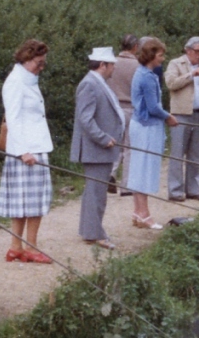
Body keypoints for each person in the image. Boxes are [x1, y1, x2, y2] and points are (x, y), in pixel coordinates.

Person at [0, 39, 54, 264]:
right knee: (29, 202)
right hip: (27, 150)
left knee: (27, 201)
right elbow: (12, 119)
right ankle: (29, 248)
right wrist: (23, 151)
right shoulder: (16, 81)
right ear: (26, 58)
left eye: (43, 63)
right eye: (39, 63)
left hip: (36, 145)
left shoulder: (28, 79)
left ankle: (17, 247)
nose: (41, 67)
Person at [70, 47, 124, 250]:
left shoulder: (98, 83)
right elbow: (85, 118)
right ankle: (95, 233)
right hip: (96, 149)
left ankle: (89, 230)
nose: (114, 69)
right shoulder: (89, 84)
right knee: (97, 192)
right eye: (112, 65)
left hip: (102, 149)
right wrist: (103, 138)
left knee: (95, 191)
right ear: (103, 65)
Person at [129, 38, 177, 229]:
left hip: (139, 124)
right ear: (151, 55)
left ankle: (138, 211)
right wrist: (168, 117)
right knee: (145, 169)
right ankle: (144, 214)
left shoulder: (141, 72)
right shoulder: (148, 77)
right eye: (160, 55)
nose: (163, 59)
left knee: (138, 167)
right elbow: (153, 107)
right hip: (147, 127)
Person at [165, 36, 199, 202]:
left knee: (195, 153)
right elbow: (171, 84)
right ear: (188, 50)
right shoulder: (175, 63)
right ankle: (175, 191)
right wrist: (191, 75)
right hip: (181, 114)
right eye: (197, 51)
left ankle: (193, 190)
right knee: (178, 152)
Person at [108, 34, 139, 197]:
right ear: (135, 47)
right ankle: (126, 185)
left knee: (114, 144)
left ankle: (111, 173)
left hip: (114, 108)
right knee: (129, 148)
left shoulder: (111, 63)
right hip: (131, 108)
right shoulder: (137, 65)